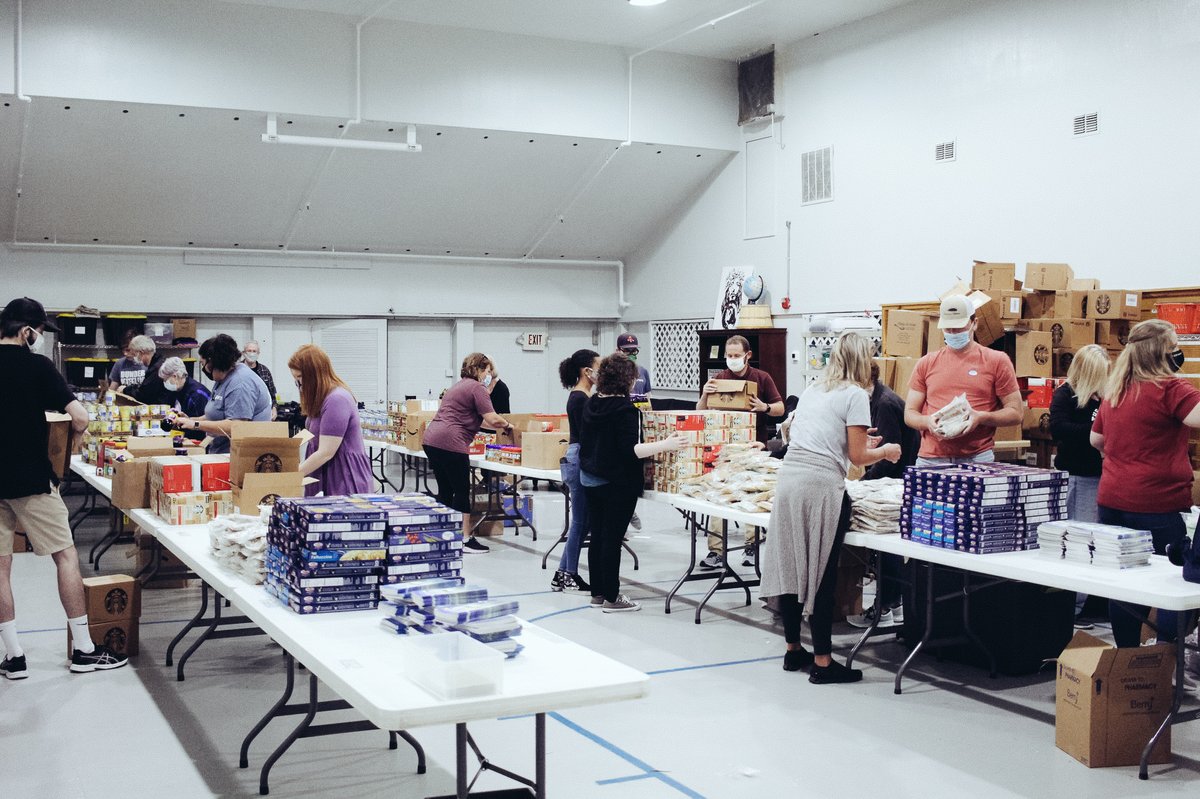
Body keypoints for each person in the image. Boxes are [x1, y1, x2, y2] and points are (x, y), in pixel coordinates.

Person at [761, 332, 901, 684]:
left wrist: (857, 443)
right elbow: (856, 457)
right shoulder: (855, 394)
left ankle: (794, 650)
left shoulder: (813, 390)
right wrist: (885, 451)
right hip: (820, 486)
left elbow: (813, 436)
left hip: (790, 480)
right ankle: (824, 662)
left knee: (791, 566)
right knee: (822, 571)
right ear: (863, 360)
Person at [0, 297, 128, 678]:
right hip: (32, 479)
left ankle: (14, 655)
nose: (38, 339)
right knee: (66, 557)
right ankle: (85, 650)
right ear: (26, 332)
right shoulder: (38, 367)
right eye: (38, 332)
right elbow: (81, 417)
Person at [1090, 320, 1200, 648]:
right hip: (1158, 504)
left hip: (1112, 500)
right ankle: (1163, 659)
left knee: (1124, 584)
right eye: (1175, 345)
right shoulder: (1171, 389)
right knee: (1172, 584)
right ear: (1163, 352)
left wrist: (1127, 454)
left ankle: (1127, 659)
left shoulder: (1115, 392)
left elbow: (1096, 439)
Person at [580, 353, 686, 612]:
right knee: (612, 539)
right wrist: (667, 444)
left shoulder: (592, 403)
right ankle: (612, 597)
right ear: (626, 380)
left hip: (590, 478)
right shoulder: (625, 410)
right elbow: (629, 450)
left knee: (598, 536)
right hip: (616, 482)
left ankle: (598, 592)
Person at [697, 334, 785, 570]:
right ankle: (716, 551)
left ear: (748, 356)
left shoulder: (762, 378)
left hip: (754, 447)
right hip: (724, 449)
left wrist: (764, 407)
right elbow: (700, 411)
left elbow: (780, 408)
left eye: (737, 355)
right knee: (718, 496)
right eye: (729, 355)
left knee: (751, 496)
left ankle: (751, 546)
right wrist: (705, 393)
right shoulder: (719, 379)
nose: (732, 359)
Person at [904, 294, 1023, 466]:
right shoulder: (926, 363)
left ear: (974, 323)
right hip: (931, 459)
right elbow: (910, 413)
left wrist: (980, 417)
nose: (953, 333)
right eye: (948, 329)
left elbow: (1016, 413)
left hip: (977, 458)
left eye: (959, 328)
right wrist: (927, 421)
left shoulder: (996, 361)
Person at [846, 361, 921, 629]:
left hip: (893, 483)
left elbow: (889, 455)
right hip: (890, 481)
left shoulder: (885, 404)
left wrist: (861, 486)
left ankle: (888, 605)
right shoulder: (874, 400)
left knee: (886, 545)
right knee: (887, 546)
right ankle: (893, 603)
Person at [423, 353, 513, 555]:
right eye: (488, 371)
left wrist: (494, 423)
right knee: (462, 491)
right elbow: (492, 418)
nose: (489, 375)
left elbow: (478, 420)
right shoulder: (477, 387)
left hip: (431, 440)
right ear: (480, 370)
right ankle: (465, 539)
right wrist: (507, 425)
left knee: (445, 490)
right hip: (451, 442)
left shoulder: (457, 386)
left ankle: (444, 533)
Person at [1049, 344, 1111, 629]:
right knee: (1079, 539)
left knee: (1097, 540)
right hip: (1078, 476)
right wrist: (1098, 432)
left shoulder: (1105, 396)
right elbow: (1059, 429)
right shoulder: (1066, 395)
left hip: (1104, 476)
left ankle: (1091, 604)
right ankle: (1071, 608)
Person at [288, 344, 373, 497]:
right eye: (296, 379)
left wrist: (286, 477)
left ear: (314, 375)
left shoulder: (337, 399)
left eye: (300, 378)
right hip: (324, 471)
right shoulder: (320, 397)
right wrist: (283, 449)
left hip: (342, 476)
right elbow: (311, 431)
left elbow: (326, 452)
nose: (299, 385)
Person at [550, 349, 599, 594]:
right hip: (579, 457)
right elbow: (587, 434)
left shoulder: (583, 396)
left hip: (578, 455)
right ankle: (569, 573)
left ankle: (562, 573)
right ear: (586, 370)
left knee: (584, 521)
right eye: (598, 366)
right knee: (580, 521)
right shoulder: (580, 399)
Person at [172, 334, 272, 454]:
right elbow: (218, 413)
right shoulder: (223, 378)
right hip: (222, 450)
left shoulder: (240, 383)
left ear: (213, 362)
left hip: (242, 455)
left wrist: (196, 424)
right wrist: (189, 420)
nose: (203, 368)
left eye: (203, 363)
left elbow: (236, 425)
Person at [615, 333, 651, 532]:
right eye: (627, 351)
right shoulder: (612, 374)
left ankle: (629, 509)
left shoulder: (643, 372)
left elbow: (648, 399)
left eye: (634, 351)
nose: (631, 354)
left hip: (639, 427)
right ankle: (624, 514)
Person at [124, 335, 169, 405]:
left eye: (134, 354)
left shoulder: (157, 369)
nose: (133, 358)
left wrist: (125, 390)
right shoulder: (159, 363)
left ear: (141, 353)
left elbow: (143, 395)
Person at [242, 340, 278, 417]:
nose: (252, 353)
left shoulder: (264, 371)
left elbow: (272, 394)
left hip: (261, 414)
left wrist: (274, 408)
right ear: (244, 353)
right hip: (241, 413)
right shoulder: (236, 370)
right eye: (249, 351)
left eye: (254, 351)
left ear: (258, 353)